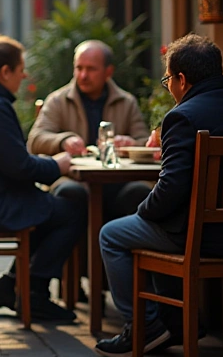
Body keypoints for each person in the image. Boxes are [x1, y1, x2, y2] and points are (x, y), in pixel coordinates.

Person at [94, 35, 223, 357]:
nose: (169, 87)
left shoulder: (182, 117)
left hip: (201, 238)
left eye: (168, 80)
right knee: (158, 222)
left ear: (181, 79)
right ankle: (177, 322)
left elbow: (170, 190)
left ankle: (146, 328)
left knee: (112, 234)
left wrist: (142, 210)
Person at [0, 35, 84, 322]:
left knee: (57, 204)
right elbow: (19, 167)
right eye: (20, 68)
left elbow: (14, 163)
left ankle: (12, 286)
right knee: (71, 210)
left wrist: (50, 166)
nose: (24, 75)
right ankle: (32, 292)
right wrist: (57, 165)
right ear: (4, 72)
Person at [29, 40, 151, 223]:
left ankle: (118, 249)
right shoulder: (57, 100)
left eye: (91, 69)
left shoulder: (127, 102)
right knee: (71, 193)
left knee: (139, 193)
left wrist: (131, 144)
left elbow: (145, 140)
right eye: (79, 68)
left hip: (118, 181)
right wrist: (64, 141)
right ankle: (79, 251)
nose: (83, 75)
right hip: (72, 178)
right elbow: (35, 140)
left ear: (108, 71)